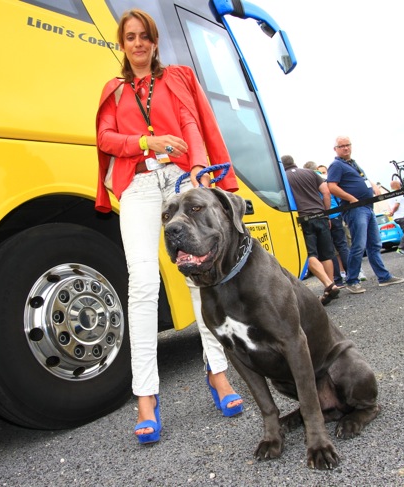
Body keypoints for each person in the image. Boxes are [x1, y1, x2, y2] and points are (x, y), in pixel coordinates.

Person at [95, 9, 243, 445]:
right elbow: (105, 139)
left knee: (200, 275)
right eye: (130, 38)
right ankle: (146, 397)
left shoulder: (176, 76)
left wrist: (198, 168)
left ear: (154, 42)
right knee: (142, 283)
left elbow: (193, 123)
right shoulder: (114, 89)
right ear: (122, 45)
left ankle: (217, 373)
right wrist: (147, 141)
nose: (138, 44)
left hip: (180, 180)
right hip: (139, 185)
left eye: (145, 37)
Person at [326, 136, 404, 293]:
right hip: (356, 209)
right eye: (341, 146)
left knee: (374, 244)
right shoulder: (336, 165)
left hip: (367, 207)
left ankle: (383, 277)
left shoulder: (353, 164)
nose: (345, 148)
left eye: (347, 145)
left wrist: (374, 187)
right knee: (359, 245)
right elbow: (331, 187)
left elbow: (363, 180)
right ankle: (352, 280)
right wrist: (352, 199)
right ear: (335, 149)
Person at [282, 155, 340, 304]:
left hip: (304, 219)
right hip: (320, 215)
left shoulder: (283, 178)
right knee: (327, 254)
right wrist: (326, 213)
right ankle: (331, 285)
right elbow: (326, 192)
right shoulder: (310, 173)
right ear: (294, 162)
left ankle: (328, 285)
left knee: (310, 254)